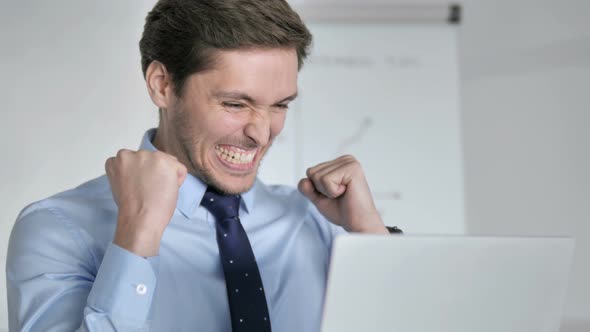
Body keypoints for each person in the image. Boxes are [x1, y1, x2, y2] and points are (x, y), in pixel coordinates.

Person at [6, 0, 399, 331]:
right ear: (162, 85)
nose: (261, 134)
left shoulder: (322, 224)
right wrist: (137, 234)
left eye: (280, 105)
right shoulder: (58, 228)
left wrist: (371, 238)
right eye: (235, 104)